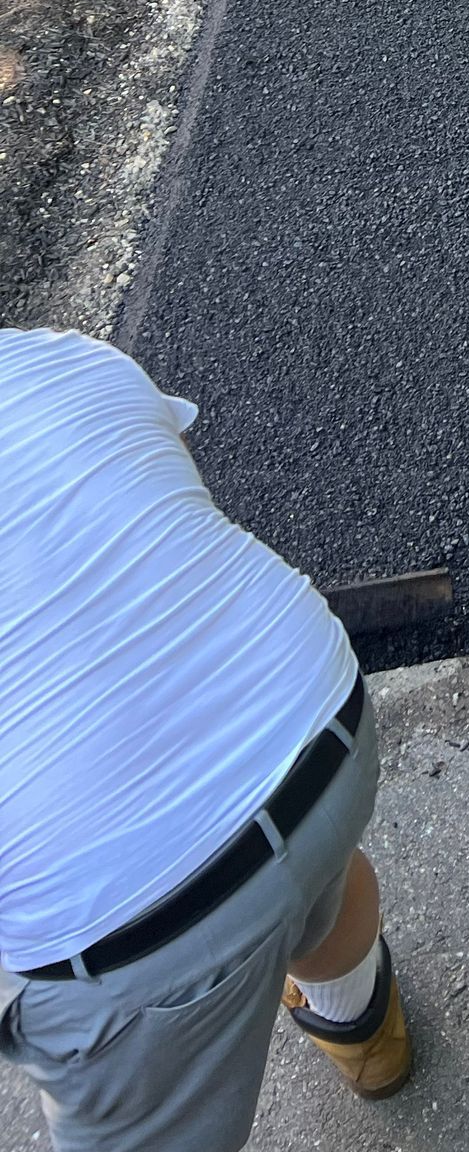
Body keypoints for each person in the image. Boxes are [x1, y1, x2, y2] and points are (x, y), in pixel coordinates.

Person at [0, 326, 412, 1148]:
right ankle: (367, 1034)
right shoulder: (55, 356)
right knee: (310, 891)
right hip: (318, 727)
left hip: (128, 924)